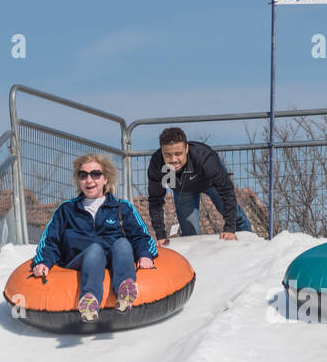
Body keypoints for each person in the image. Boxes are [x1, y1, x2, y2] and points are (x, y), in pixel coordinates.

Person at [32, 154, 157, 323]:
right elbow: (50, 240)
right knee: (95, 250)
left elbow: (141, 235)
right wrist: (44, 262)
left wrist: (145, 255)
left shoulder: (121, 207)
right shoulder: (67, 210)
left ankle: (125, 289)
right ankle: (90, 300)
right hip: (80, 259)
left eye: (95, 174)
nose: (89, 180)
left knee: (122, 243)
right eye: (83, 175)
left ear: (105, 178)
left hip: (115, 257)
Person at [147, 127, 252, 242]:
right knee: (190, 234)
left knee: (237, 218)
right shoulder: (157, 164)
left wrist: (230, 229)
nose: (173, 160)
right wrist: (161, 236)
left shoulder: (204, 158)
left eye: (178, 154)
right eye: (168, 155)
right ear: (161, 151)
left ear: (186, 148)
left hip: (211, 184)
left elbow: (226, 191)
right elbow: (156, 201)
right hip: (183, 190)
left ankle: (251, 246)